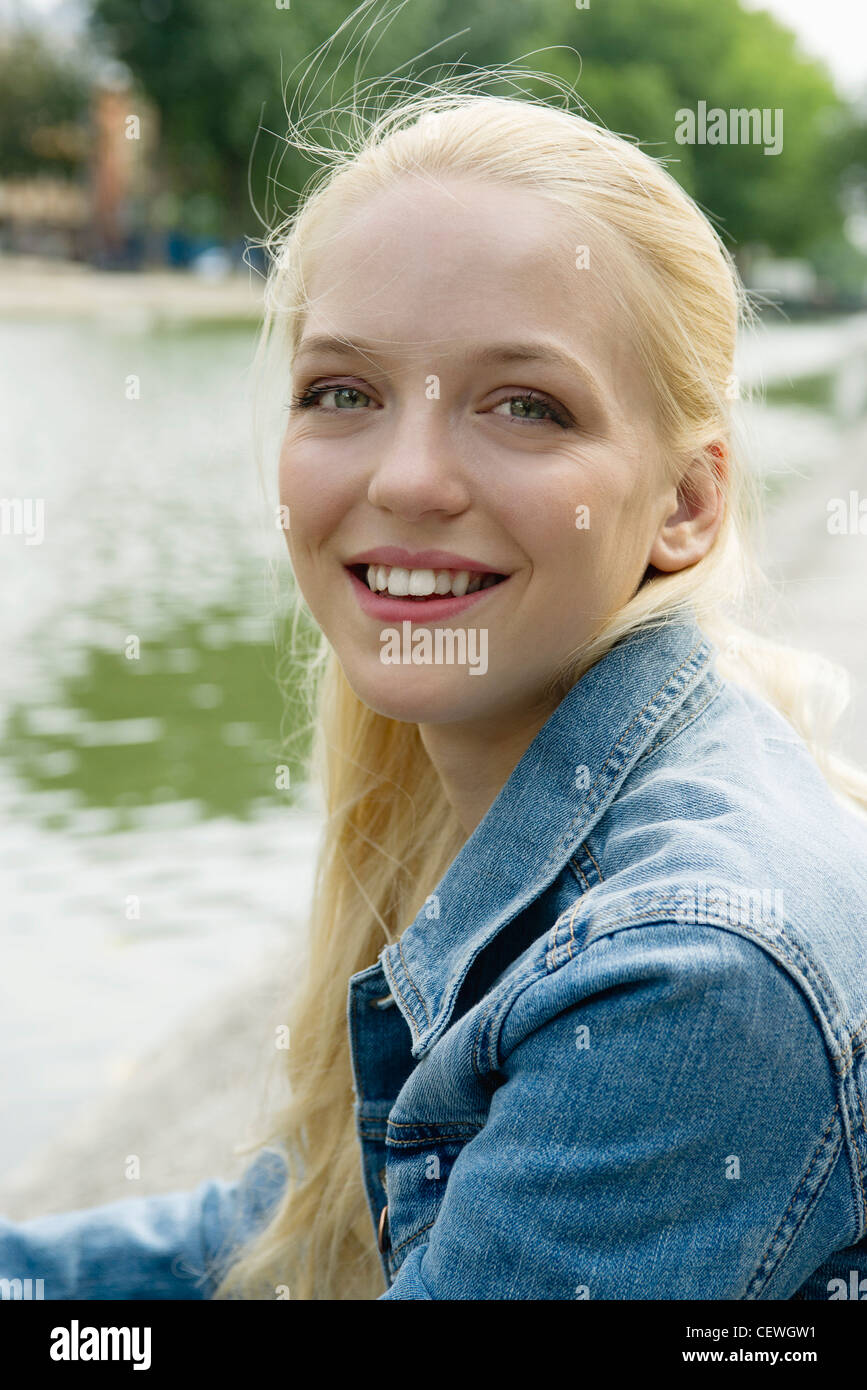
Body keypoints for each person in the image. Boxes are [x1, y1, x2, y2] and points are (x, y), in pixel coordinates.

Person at [4, 78, 867, 1302]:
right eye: (342, 392)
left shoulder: (691, 973)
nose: (408, 478)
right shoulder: (544, 796)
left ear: (685, 505)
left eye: (525, 405)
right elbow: (304, 1231)